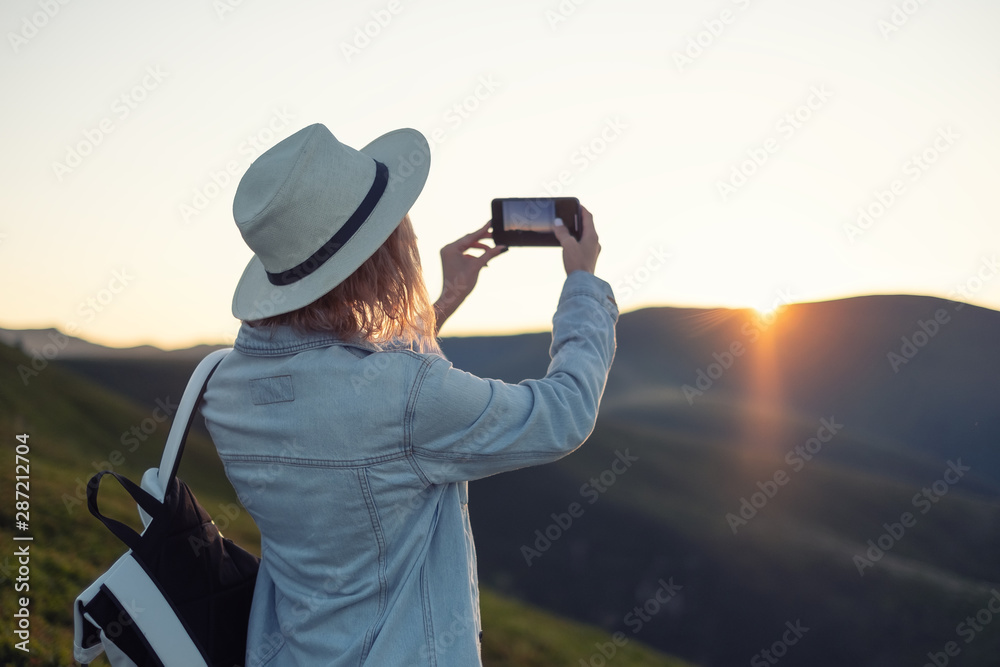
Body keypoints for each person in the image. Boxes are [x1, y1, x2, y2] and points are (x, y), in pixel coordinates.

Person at [201, 123, 619, 666]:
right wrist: (583, 284)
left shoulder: (225, 388)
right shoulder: (404, 395)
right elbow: (564, 414)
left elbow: (350, 390)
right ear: (381, 254)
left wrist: (444, 301)